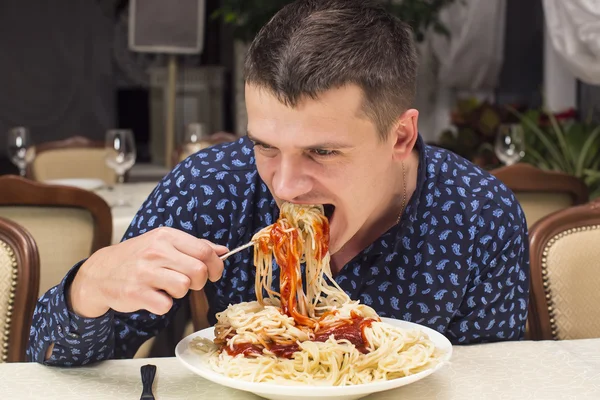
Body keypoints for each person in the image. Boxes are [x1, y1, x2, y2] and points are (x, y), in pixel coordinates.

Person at [28, 0, 529, 366]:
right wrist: (87, 288)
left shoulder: (478, 213)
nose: (285, 186)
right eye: (265, 146)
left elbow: (492, 380)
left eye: (322, 152)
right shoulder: (211, 186)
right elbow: (52, 360)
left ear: (400, 136)